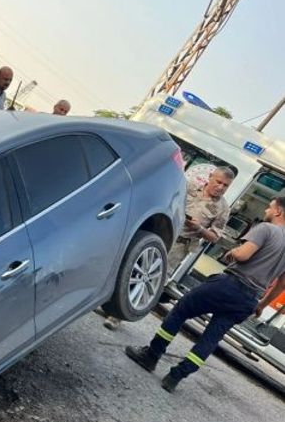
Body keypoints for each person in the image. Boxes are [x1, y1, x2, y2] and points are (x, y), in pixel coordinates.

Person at [125, 196, 285, 393]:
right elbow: (281, 283)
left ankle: (151, 356)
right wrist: (261, 304)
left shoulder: (266, 229)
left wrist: (232, 252)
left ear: (278, 211)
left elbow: (244, 255)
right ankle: (176, 377)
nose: (266, 212)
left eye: (269, 208)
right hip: (249, 299)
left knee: (181, 310)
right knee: (211, 338)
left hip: (230, 284)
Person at [104, 166, 234, 329]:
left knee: (149, 279)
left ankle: (117, 315)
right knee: (129, 264)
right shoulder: (188, 186)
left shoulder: (223, 209)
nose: (221, 187)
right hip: (160, 232)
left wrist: (199, 229)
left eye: (226, 185)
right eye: (219, 182)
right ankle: (104, 299)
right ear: (210, 177)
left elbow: (215, 237)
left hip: (179, 246)